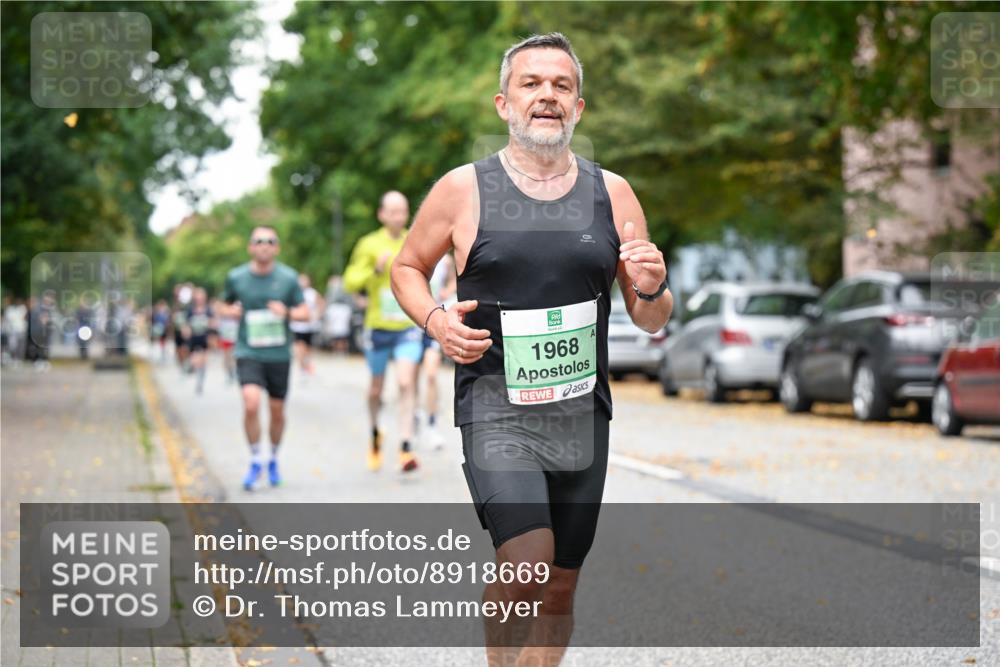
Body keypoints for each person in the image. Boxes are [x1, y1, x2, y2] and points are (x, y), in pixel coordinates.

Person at [390, 33, 672, 666]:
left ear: (578, 109)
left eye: (561, 86)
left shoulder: (614, 194)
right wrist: (437, 321)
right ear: (503, 103)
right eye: (531, 84)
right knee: (526, 566)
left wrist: (654, 285)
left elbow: (650, 317)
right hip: (496, 406)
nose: (547, 95)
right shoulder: (463, 189)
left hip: (580, 413)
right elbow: (406, 267)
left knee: (560, 586)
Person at [218, 226, 308, 491]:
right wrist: (230, 311)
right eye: (259, 241)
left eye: (270, 241)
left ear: (277, 248)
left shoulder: (289, 278)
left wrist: (287, 312)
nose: (264, 245)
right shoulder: (236, 278)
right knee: (251, 403)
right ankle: (256, 457)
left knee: (277, 411)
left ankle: (274, 458)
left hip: (279, 354)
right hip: (249, 351)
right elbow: (221, 305)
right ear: (250, 247)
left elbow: (305, 312)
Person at [344, 191, 423, 473]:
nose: (398, 216)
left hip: (406, 326)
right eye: (392, 211)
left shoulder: (413, 240)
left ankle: (405, 446)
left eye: (402, 211)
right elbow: (350, 282)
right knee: (376, 388)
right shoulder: (368, 244)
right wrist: (374, 272)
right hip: (378, 327)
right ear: (381, 214)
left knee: (405, 382)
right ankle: (375, 432)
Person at [417, 254, 456, 449]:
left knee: (431, 375)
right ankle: (414, 417)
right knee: (410, 379)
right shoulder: (409, 251)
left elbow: (455, 280)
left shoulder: (446, 260)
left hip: (432, 321)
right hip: (412, 322)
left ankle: (431, 425)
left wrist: (447, 291)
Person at [290, 273, 324, 376]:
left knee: (308, 347)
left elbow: (321, 303)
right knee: (299, 346)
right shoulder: (295, 293)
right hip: (297, 325)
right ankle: (302, 366)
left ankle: (306, 364)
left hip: (309, 325)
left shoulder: (312, 293)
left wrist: (317, 315)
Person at [186, 287, 214, 394]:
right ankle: (192, 369)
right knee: (195, 361)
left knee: (203, 362)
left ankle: (200, 382)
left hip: (205, 338)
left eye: (201, 297)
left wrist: (209, 324)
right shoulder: (190, 310)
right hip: (194, 338)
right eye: (198, 297)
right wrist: (187, 330)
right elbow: (186, 324)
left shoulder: (208, 310)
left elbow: (213, 322)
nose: (199, 299)